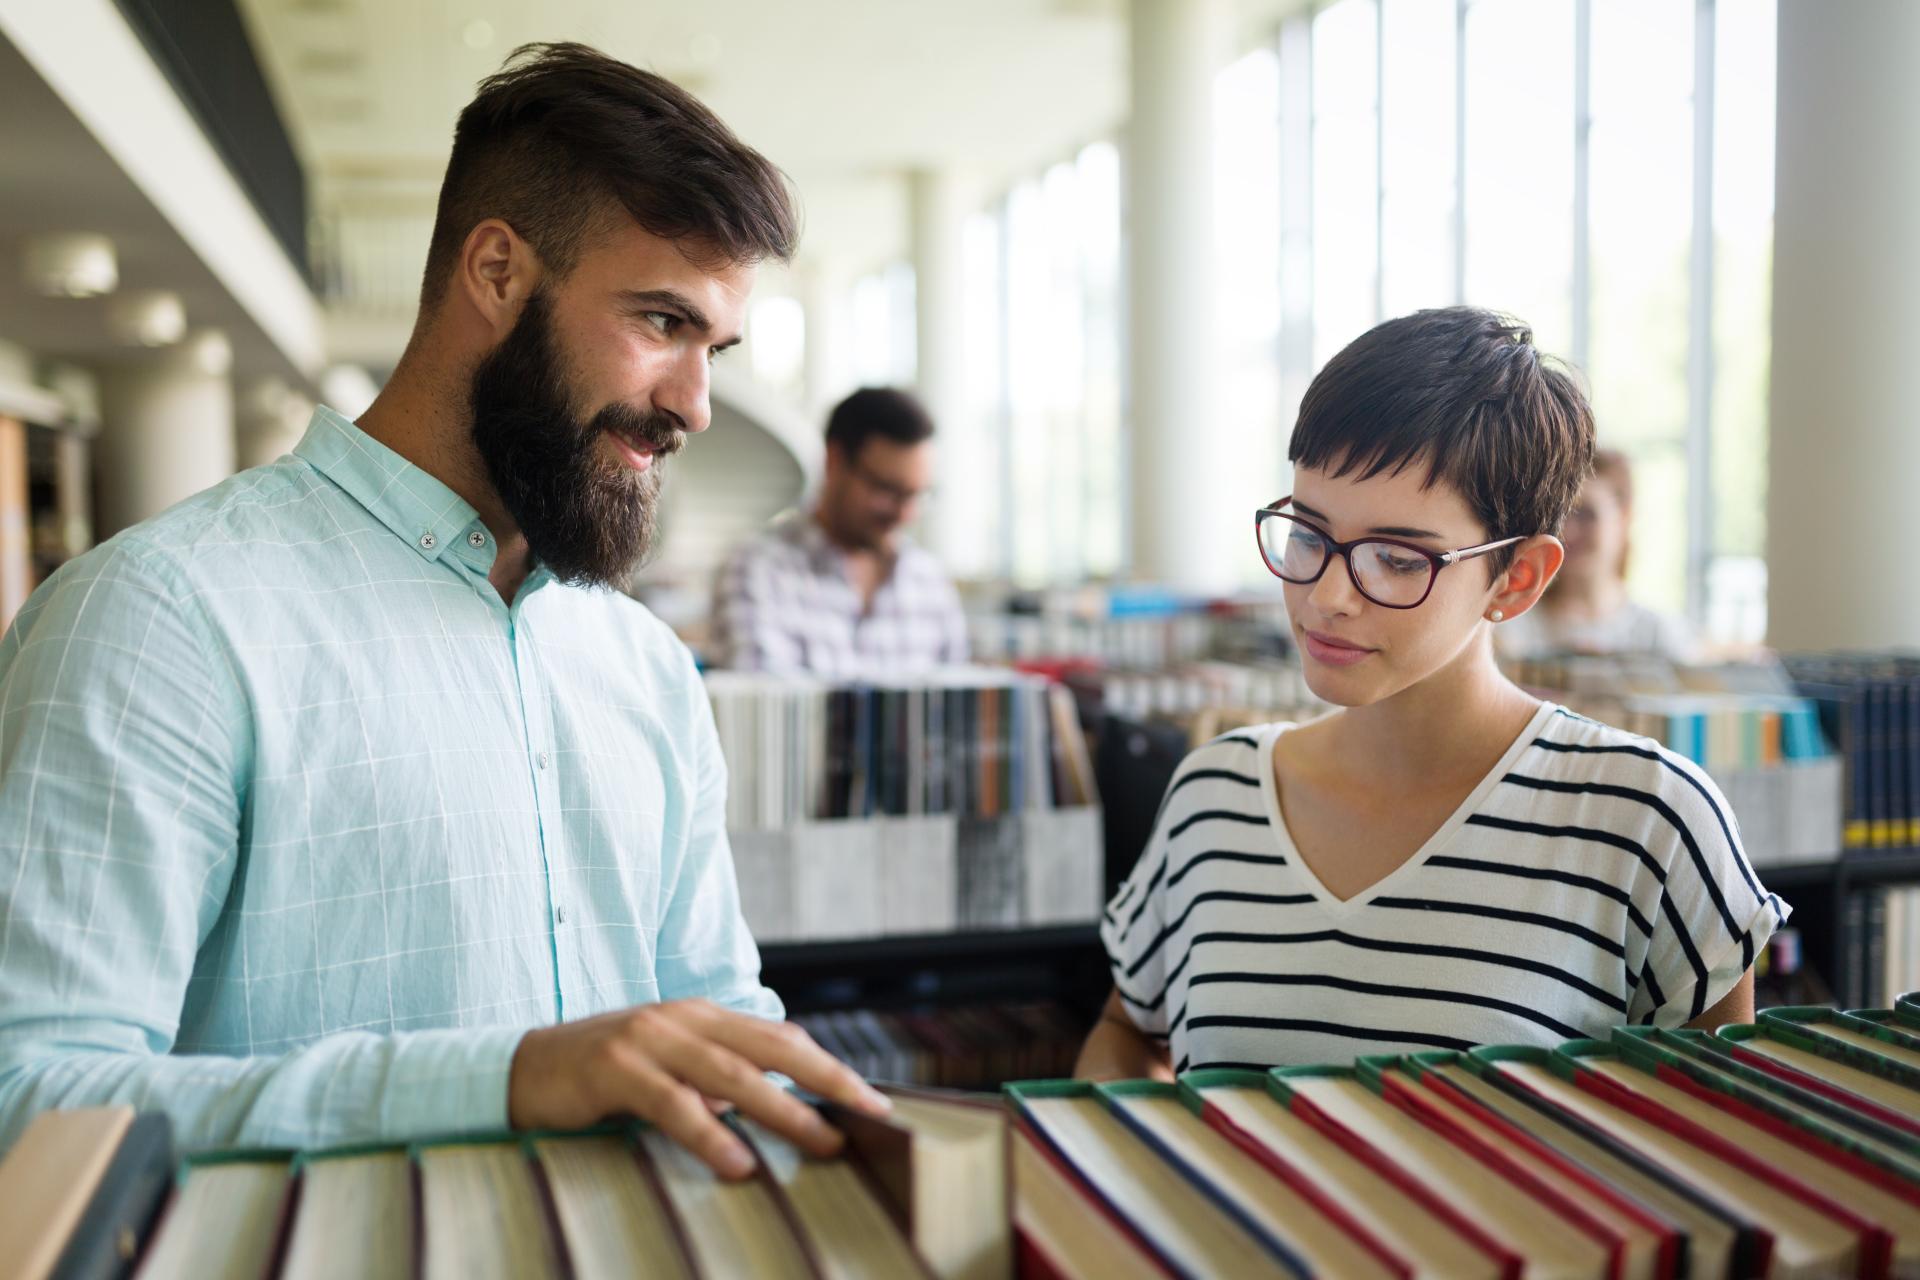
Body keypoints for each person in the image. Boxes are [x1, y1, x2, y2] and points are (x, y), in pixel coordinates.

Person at [0, 43, 888, 1175]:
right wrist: (504, 1080)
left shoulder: (647, 667)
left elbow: (722, 1026)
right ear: (498, 272)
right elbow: (30, 1098)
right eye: (662, 321)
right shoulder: (156, 620)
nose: (697, 405)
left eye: (714, 347)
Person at [1076, 307, 1787, 1080]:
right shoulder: (1217, 794)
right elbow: (1126, 1032)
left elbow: (1715, 1119)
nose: (1328, 596)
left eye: (1397, 559)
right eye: (1309, 534)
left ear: (1516, 579)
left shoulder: (1647, 819)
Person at [711, 386, 969, 675]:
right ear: (834, 460)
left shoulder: (930, 582)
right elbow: (762, 696)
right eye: (887, 490)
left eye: (915, 495)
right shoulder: (757, 568)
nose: (905, 514)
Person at [1495, 447, 1696, 661]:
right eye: (1559, 517)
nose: (1568, 532)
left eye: (1586, 515)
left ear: (1624, 517)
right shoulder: (1507, 632)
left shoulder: (1659, 636)